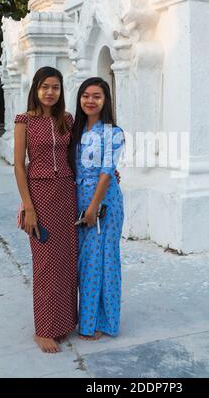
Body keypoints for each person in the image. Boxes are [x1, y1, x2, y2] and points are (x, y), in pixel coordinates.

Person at [14, 66, 78, 353]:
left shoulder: (66, 119)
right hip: (40, 195)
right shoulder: (24, 121)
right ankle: (44, 329)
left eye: (55, 87)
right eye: (44, 87)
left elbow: (76, 156)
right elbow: (18, 165)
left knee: (66, 262)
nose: (50, 92)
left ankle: (62, 323)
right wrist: (28, 206)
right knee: (44, 264)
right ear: (35, 90)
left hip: (67, 192)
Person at [69, 77, 125, 340]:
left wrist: (93, 208)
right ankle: (88, 319)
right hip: (78, 201)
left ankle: (102, 323)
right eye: (86, 95)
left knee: (103, 260)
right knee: (85, 262)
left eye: (97, 96)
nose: (90, 100)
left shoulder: (113, 133)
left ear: (105, 101)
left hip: (104, 205)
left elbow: (105, 173)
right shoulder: (74, 131)